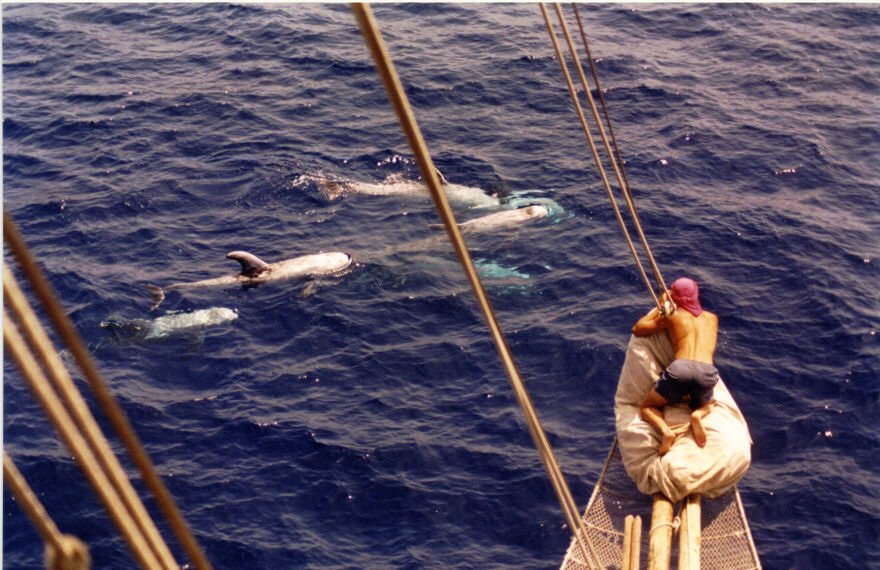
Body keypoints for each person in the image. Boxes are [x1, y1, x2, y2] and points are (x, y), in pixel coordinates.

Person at [632, 277, 719, 455]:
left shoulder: (673, 317)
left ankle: (666, 432)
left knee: (647, 408)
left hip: (681, 369)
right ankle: (697, 415)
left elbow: (638, 328)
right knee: (709, 403)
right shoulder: (712, 318)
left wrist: (662, 305)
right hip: (707, 371)